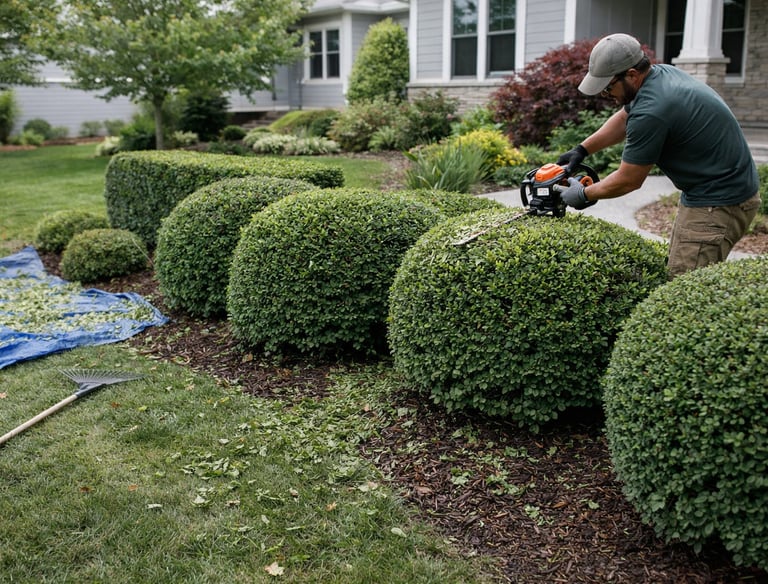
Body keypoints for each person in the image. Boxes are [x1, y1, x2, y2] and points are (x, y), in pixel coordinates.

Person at [557, 33, 760, 278]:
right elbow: (625, 117)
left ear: (631, 74)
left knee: (683, 289)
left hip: (718, 202)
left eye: (608, 87)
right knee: (685, 276)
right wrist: (582, 150)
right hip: (716, 192)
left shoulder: (653, 110)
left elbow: (629, 179)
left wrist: (583, 194)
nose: (605, 94)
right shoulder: (659, 75)